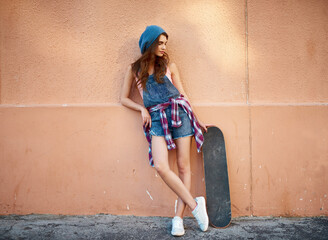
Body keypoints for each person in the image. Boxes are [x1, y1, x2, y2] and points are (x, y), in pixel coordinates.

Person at [120, 25, 209, 236]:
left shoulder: (169, 65)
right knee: (161, 166)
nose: (163, 47)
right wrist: (142, 108)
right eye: (160, 43)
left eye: (165, 43)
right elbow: (123, 98)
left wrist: (197, 119)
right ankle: (196, 206)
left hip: (180, 114)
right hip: (157, 118)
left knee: (183, 167)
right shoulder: (135, 70)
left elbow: (183, 95)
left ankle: (178, 218)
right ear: (149, 44)